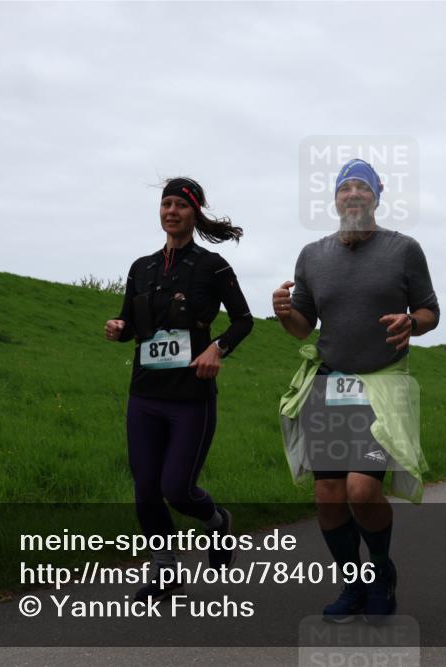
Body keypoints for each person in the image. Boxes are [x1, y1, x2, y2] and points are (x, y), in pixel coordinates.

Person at [274, 158, 439, 623]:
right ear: (334, 199)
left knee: (362, 491)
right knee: (328, 494)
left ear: (377, 196)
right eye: (344, 188)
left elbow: (429, 311)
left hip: (380, 385)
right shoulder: (312, 255)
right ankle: (353, 583)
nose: (353, 195)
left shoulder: (403, 249)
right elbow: (302, 326)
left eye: (361, 188)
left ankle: (381, 572)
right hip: (330, 383)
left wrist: (412, 321)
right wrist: (285, 311)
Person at [104, 177, 254, 601]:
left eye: (181, 205)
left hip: (190, 397)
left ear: (195, 212)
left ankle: (216, 521)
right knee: (146, 489)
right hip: (145, 393)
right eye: (166, 204)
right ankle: (165, 570)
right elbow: (131, 325)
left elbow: (244, 320)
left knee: (177, 489)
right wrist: (119, 329)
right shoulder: (141, 267)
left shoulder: (212, 266)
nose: (171, 211)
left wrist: (217, 348)